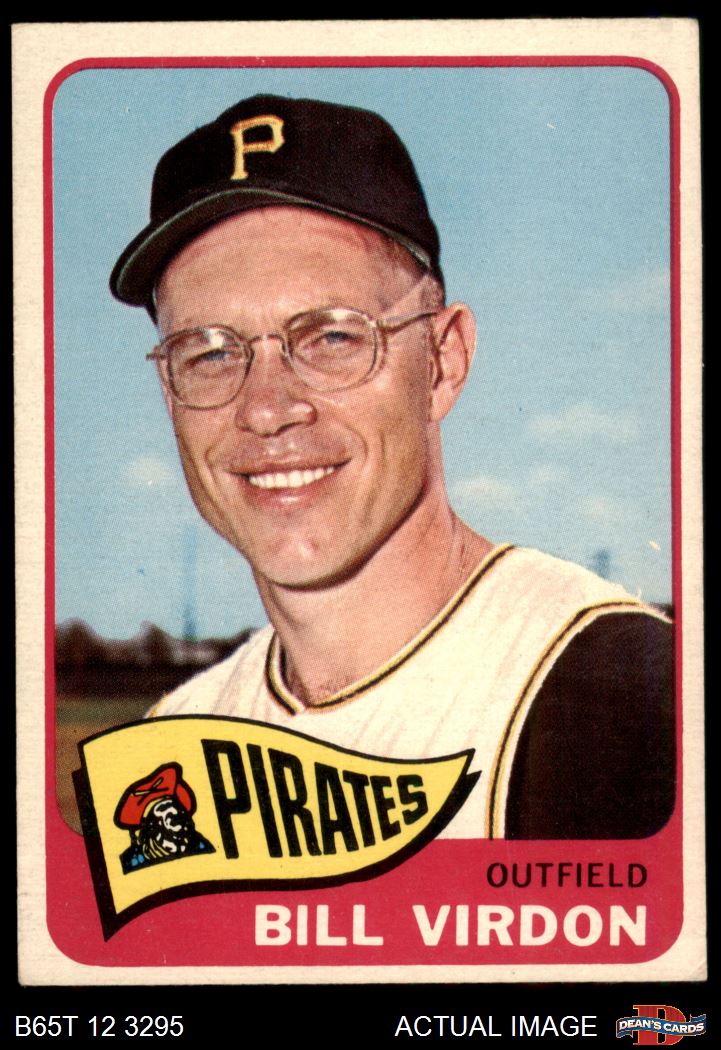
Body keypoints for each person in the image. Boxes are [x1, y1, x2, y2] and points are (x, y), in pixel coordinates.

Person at [110, 94, 674, 840]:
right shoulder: (172, 741)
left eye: (332, 338)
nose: (267, 409)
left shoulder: (621, 700)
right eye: (210, 353)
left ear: (442, 361)